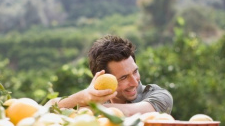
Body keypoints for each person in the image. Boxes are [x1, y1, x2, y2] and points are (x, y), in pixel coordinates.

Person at [45, 35, 173, 116]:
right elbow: (46, 108)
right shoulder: (95, 100)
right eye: (124, 77)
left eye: (135, 71)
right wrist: (83, 96)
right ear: (102, 79)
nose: (134, 82)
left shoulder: (159, 96)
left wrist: (82, 110)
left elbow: (129, 112)